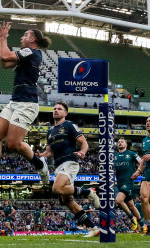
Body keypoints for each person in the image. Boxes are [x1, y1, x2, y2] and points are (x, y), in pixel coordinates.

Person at [0, 22, 51, 186]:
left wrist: (4, 38)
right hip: (15, 102)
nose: (22, 37)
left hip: (27, 104)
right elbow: (4, 63)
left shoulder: (32, 52)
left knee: (13, 144)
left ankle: (40, 164)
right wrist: (0, 43)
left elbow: (6, 56)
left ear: (33, 39)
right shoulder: (26, 54)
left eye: (25, 35)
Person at [36, 100, 100, 237]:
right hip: (58, 166)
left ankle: (89, 192)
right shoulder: (50, 132)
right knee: (67, 201)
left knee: (56, 188)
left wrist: (83, 151)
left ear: (65, 113)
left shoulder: (69, 125)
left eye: (59, 109)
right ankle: (93, 228)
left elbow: (84, 142)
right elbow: (49, 153)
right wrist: (40, 155)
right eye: (54, 109)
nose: (56, 110)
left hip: (70, 162)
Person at [114, 137, 145, 233]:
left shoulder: (131, 154)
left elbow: (142, 162)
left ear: (126, 145)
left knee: (118, 201)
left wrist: (137, 172)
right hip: (119, 183)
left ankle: (132, 219)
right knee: (131, 205)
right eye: (118, 142)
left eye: (122, 141)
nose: (119, 143)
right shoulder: (115, 156)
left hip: (128, 182)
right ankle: (143, 225)